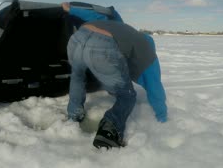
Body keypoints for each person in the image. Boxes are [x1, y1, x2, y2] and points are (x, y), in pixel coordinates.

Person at [66, 20, 167, 149]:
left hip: (77, 38)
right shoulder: (148, 52)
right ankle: (109, 129)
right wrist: (162, 117)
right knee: (127, 96)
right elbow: (155, 86)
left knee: (78, 76)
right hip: (102, 45)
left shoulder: (126, 31)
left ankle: (74, 114)